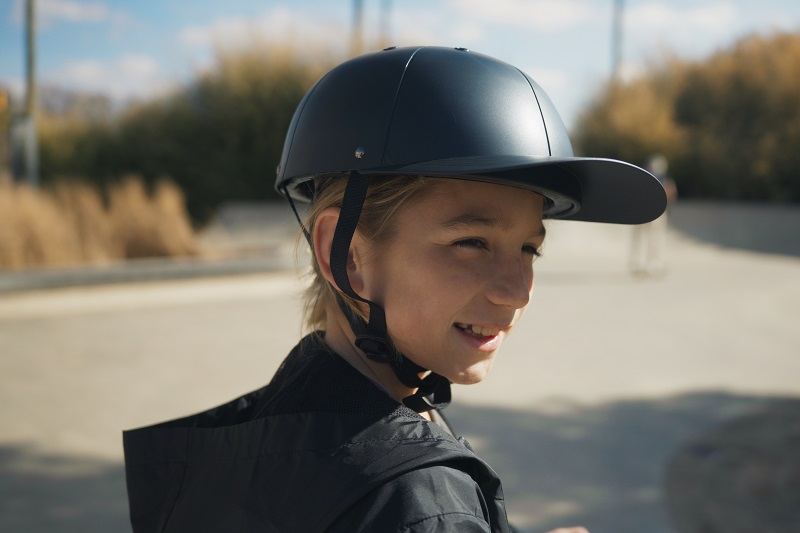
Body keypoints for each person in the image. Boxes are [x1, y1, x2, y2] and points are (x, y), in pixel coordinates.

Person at [123, 46, 666, 532]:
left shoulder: (274, 427)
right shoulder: (413, 501)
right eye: (472, 242)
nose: (518, 291)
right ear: (348, 254)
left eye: (529, 248)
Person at [629, 153, 678, 277]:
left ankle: (647, 263)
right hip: (650, 211)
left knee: (651, 238)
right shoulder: (661, 180)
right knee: (651, 238)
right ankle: (647, 263)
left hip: (651, 212)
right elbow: (671, 194)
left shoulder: (645, 178)